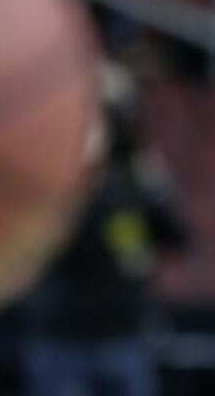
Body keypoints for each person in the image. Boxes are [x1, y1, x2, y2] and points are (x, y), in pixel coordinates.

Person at [19, 60, 190, 396]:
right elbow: (59, 243)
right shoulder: (58, 181)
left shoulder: (137, 183)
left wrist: (153, 187)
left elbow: (179, 239)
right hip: (63, 336)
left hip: (123, 335)